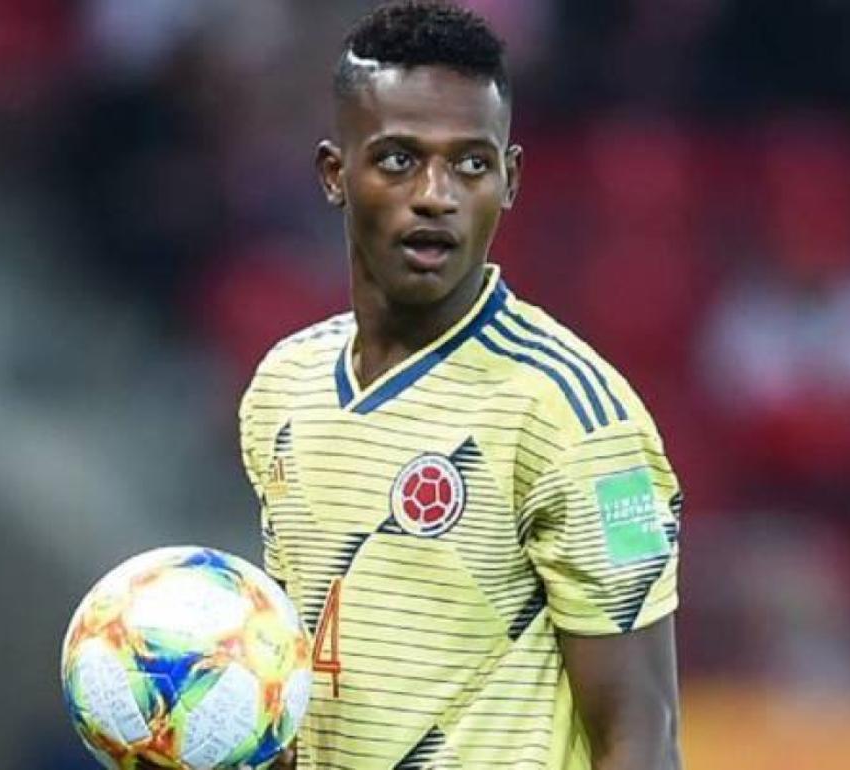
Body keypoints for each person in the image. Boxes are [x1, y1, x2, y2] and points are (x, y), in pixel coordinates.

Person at [238, 3, 683, 768]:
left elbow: (643, 736)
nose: (436, 195)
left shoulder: (577, 419)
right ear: (335, 174)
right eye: (398, 160)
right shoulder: (285, 386)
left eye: (471, 164)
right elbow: (303, 683)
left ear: (510, 180)